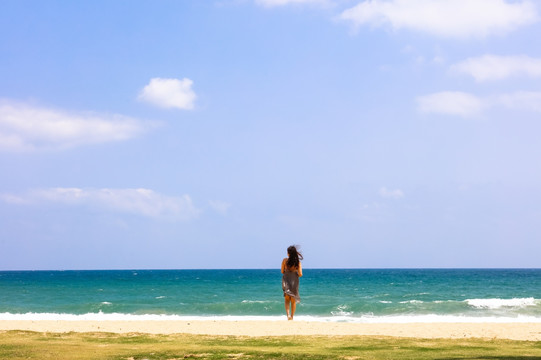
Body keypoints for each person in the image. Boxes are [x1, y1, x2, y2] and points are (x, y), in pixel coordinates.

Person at [281, 245, 303, 320]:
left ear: (288, 253)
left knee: (287, 299)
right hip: (294, 281)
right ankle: (292, 316)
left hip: (286, 281)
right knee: (293, 300)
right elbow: (300, 274)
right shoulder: (298, 263)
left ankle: (288, 315)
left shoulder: (284, 260)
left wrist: (287, 272)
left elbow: (281, 271)